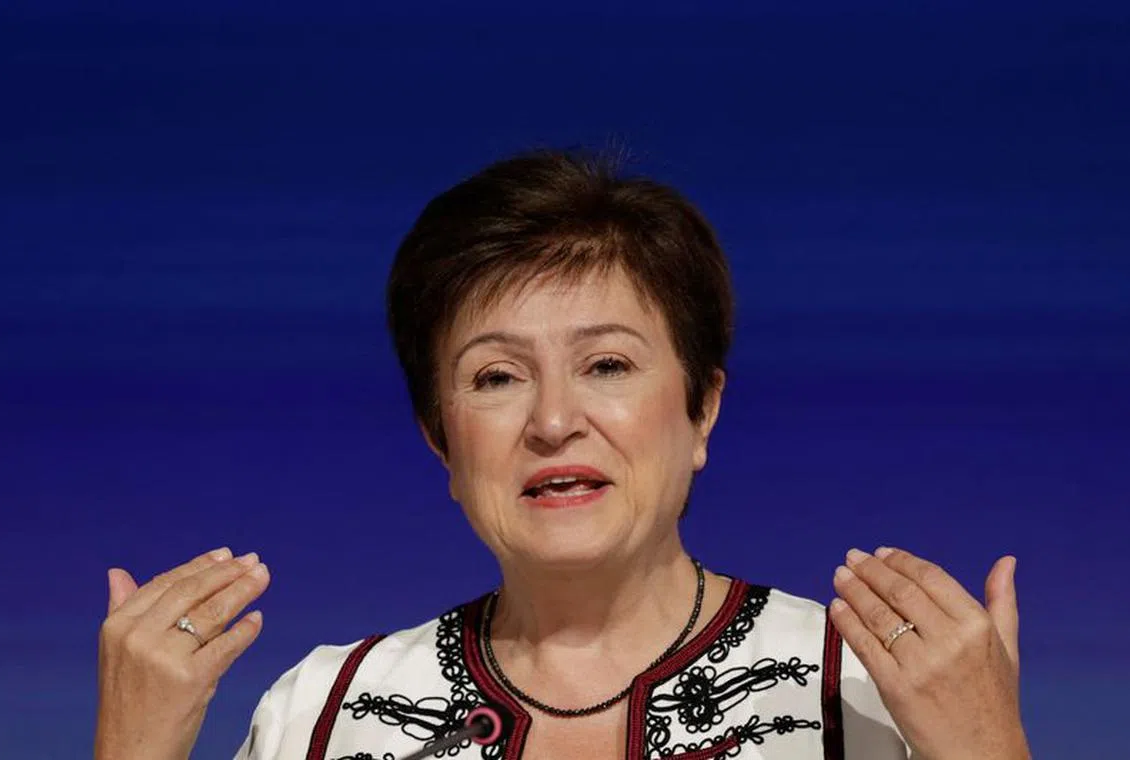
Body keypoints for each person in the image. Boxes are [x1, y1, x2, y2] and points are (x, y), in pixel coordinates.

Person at [95, 150, 1030, 760]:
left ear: (702, 408)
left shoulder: (867, 692)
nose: (553, 421)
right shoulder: (324, 711)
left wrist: (988, 749)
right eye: (496, 378)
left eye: (608, 365)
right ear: (440, 438)